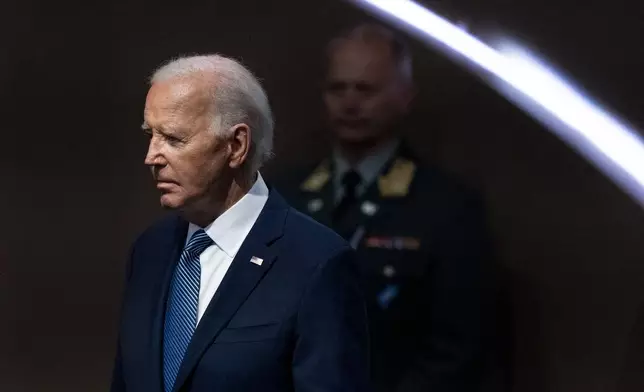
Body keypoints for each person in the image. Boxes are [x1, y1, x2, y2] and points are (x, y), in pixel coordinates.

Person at [110, 54, 370, 392]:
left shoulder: (317, 263)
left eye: (173, 139)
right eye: (151, 135)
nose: (152, 157)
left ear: (236, 145)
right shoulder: (149, 251)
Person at [272, 24, 493, 391]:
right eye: (337, 89)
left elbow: (457, 349)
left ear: (405, 96)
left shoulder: (446, 206)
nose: (350, 102)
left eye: (366, 89)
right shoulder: (284, 196)